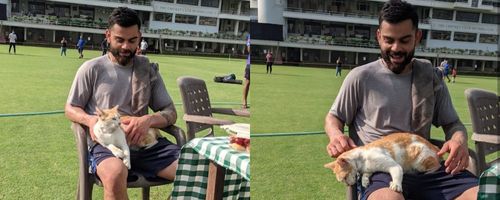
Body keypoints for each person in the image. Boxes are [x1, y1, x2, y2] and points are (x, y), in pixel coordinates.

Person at [324, 1, 478, 200]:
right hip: (379, 170)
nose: (396, 48)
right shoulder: (360, 77)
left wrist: (459, 141)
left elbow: (454, 124)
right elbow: (333, 117)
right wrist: (336, 135)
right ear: (378, 36)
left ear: (417, 37)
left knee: (484, 195)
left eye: (404, 40)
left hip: (425, 165)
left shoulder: (430, 77)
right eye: (389, 40)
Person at [65, 7, 180, 199]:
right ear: (108, 36)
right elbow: (70, 108)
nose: (126, 47)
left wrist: (148, 120)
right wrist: (90, 121)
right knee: (115, 173)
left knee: (199, 170)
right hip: (107, 143)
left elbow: (170, 112)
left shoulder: (148, 70)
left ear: (139, 37)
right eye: (120, 40)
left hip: (146, 143)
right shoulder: (91, 68)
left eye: (132, 40)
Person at [242, 33, 250, 109]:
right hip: (250, 64)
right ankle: (244, 101)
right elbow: (249, 49)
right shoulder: (250, 36)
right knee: (247, 83)